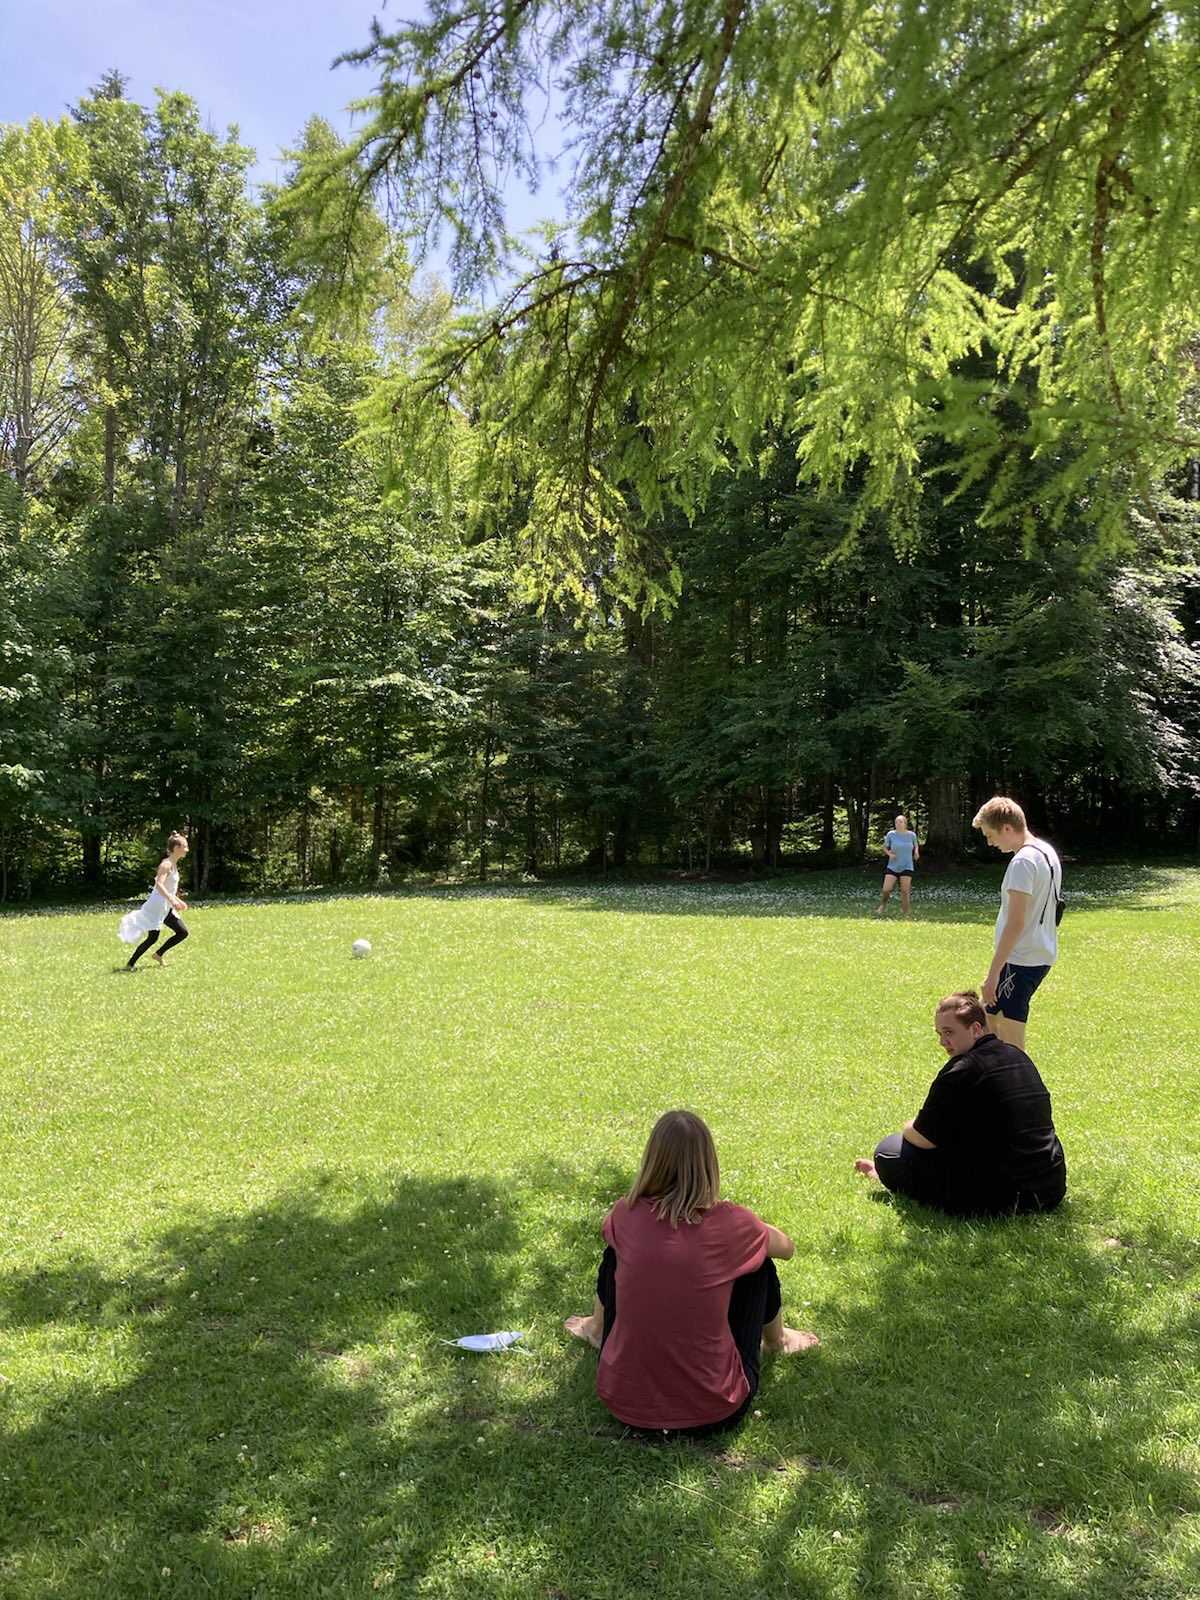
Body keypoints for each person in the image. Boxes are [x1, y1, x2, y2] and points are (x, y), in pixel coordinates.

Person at [565, 1109, 819, 1436]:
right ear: (708, 1164)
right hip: (716, 1409)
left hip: (625, 1404)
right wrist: (753, 1226)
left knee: (616, 1251)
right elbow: (787, 1247)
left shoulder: (625, 1213)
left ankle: (597, 1327)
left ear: (651, 1160)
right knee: (760, 1264)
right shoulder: (734, 1225)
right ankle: (778, 1341)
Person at [854, 991, 1066, 1218]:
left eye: (949, 1032)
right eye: (939, 1034)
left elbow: (923, 1138)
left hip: (1002, 1197)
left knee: (889, 1151)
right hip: (1049, 1186)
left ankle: (888, 1176)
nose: (942, 1042)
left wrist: (908, 1126)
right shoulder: (1017, 1055)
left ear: (975, 1029)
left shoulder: (963, 1069)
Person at [972, 796, 1062, 1049]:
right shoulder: (1046, 851)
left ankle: (1016, 1076)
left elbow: (1016, 922)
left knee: (1009, 1039)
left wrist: (993, 975)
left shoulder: (1023, 862)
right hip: (1038, 954)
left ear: (1007, 828)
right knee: (990, 1026)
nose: (989, 842)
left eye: (990, 835)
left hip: (1020, 960)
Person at [119, 832, 190, 970]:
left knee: (182, 932)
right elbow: (159, 885)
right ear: (176, 848)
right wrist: (172, 899)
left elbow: (169, 888)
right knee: (152, 938)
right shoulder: (166, 865)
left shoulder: (173, 865)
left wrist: (178, 900)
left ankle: (158, 954)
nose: (187, 850)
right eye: (185, 846)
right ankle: (130, 964)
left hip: (166, 906)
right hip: (157, 905)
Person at [874, 812, 920, 918]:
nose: (898, 824)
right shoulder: (891, 834)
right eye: (896, 822)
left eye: (900, 822)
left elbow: (916, 845)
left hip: (907, 865)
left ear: (905, 823)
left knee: (905, 891)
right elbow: (885, 847)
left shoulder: (911, 835)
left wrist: (916, 852)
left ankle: (906, 914)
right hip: (893, 866)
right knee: (886, 889)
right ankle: (883, 905)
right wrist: (890, 854)